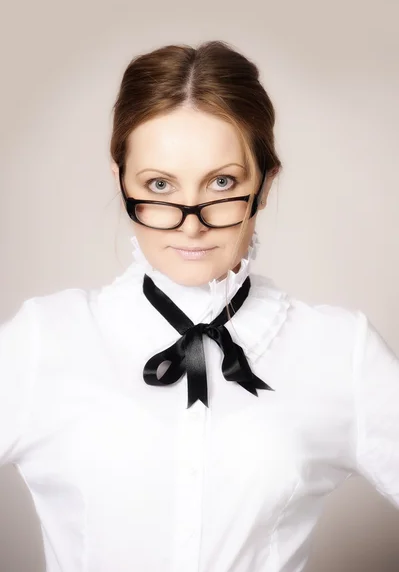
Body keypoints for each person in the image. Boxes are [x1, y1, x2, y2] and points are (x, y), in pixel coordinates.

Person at [0, 40, 398, 572]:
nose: (192, 221)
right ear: (122, 183)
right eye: (160, 185)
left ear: (265, 183)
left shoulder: (339, 349)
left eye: (222, 183)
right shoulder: (43, 339)